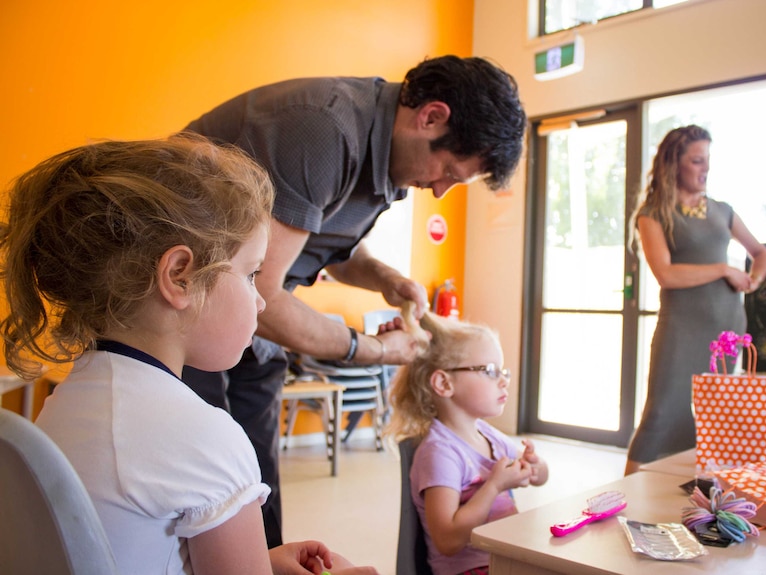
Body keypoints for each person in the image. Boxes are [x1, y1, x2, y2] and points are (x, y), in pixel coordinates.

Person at [180, 54, 527, 546]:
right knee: (210, 496)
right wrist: (374, 351)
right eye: (449, 169)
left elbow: (322, 242)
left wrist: (386, 278)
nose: (441, 190)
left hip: (243, 331)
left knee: (256, 489)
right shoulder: (325, 131)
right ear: (430, 117)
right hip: (185, 318)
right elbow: (262, 291)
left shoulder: (389, 162)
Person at [0, 135, 377, 575]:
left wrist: (264, 562)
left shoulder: (67, 403)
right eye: (251, 274)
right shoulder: (205, 438)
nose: (260, 302)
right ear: (180, 277)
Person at [624, 125, 766, 475]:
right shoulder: (652, 215)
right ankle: (622, 498)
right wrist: (723, 269)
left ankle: (695, 500)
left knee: (712, 418)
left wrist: (752, 281)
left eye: (707, 160)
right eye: (697, 160)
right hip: (681, 327)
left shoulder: (723, 210)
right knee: (661, 410)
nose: (705, 168)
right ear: (674, 163)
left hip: (726, 327)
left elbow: (761, 253)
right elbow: (668, 275)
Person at [385, 310, 549, 575]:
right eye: (489, 371)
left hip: (505, 557)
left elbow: (538, 477)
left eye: (503, 371)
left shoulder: (488, 435)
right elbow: (448, 540)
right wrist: (494, 486)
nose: (504, 380)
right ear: (444, 383)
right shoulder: (439, 453)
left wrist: (535, 466)